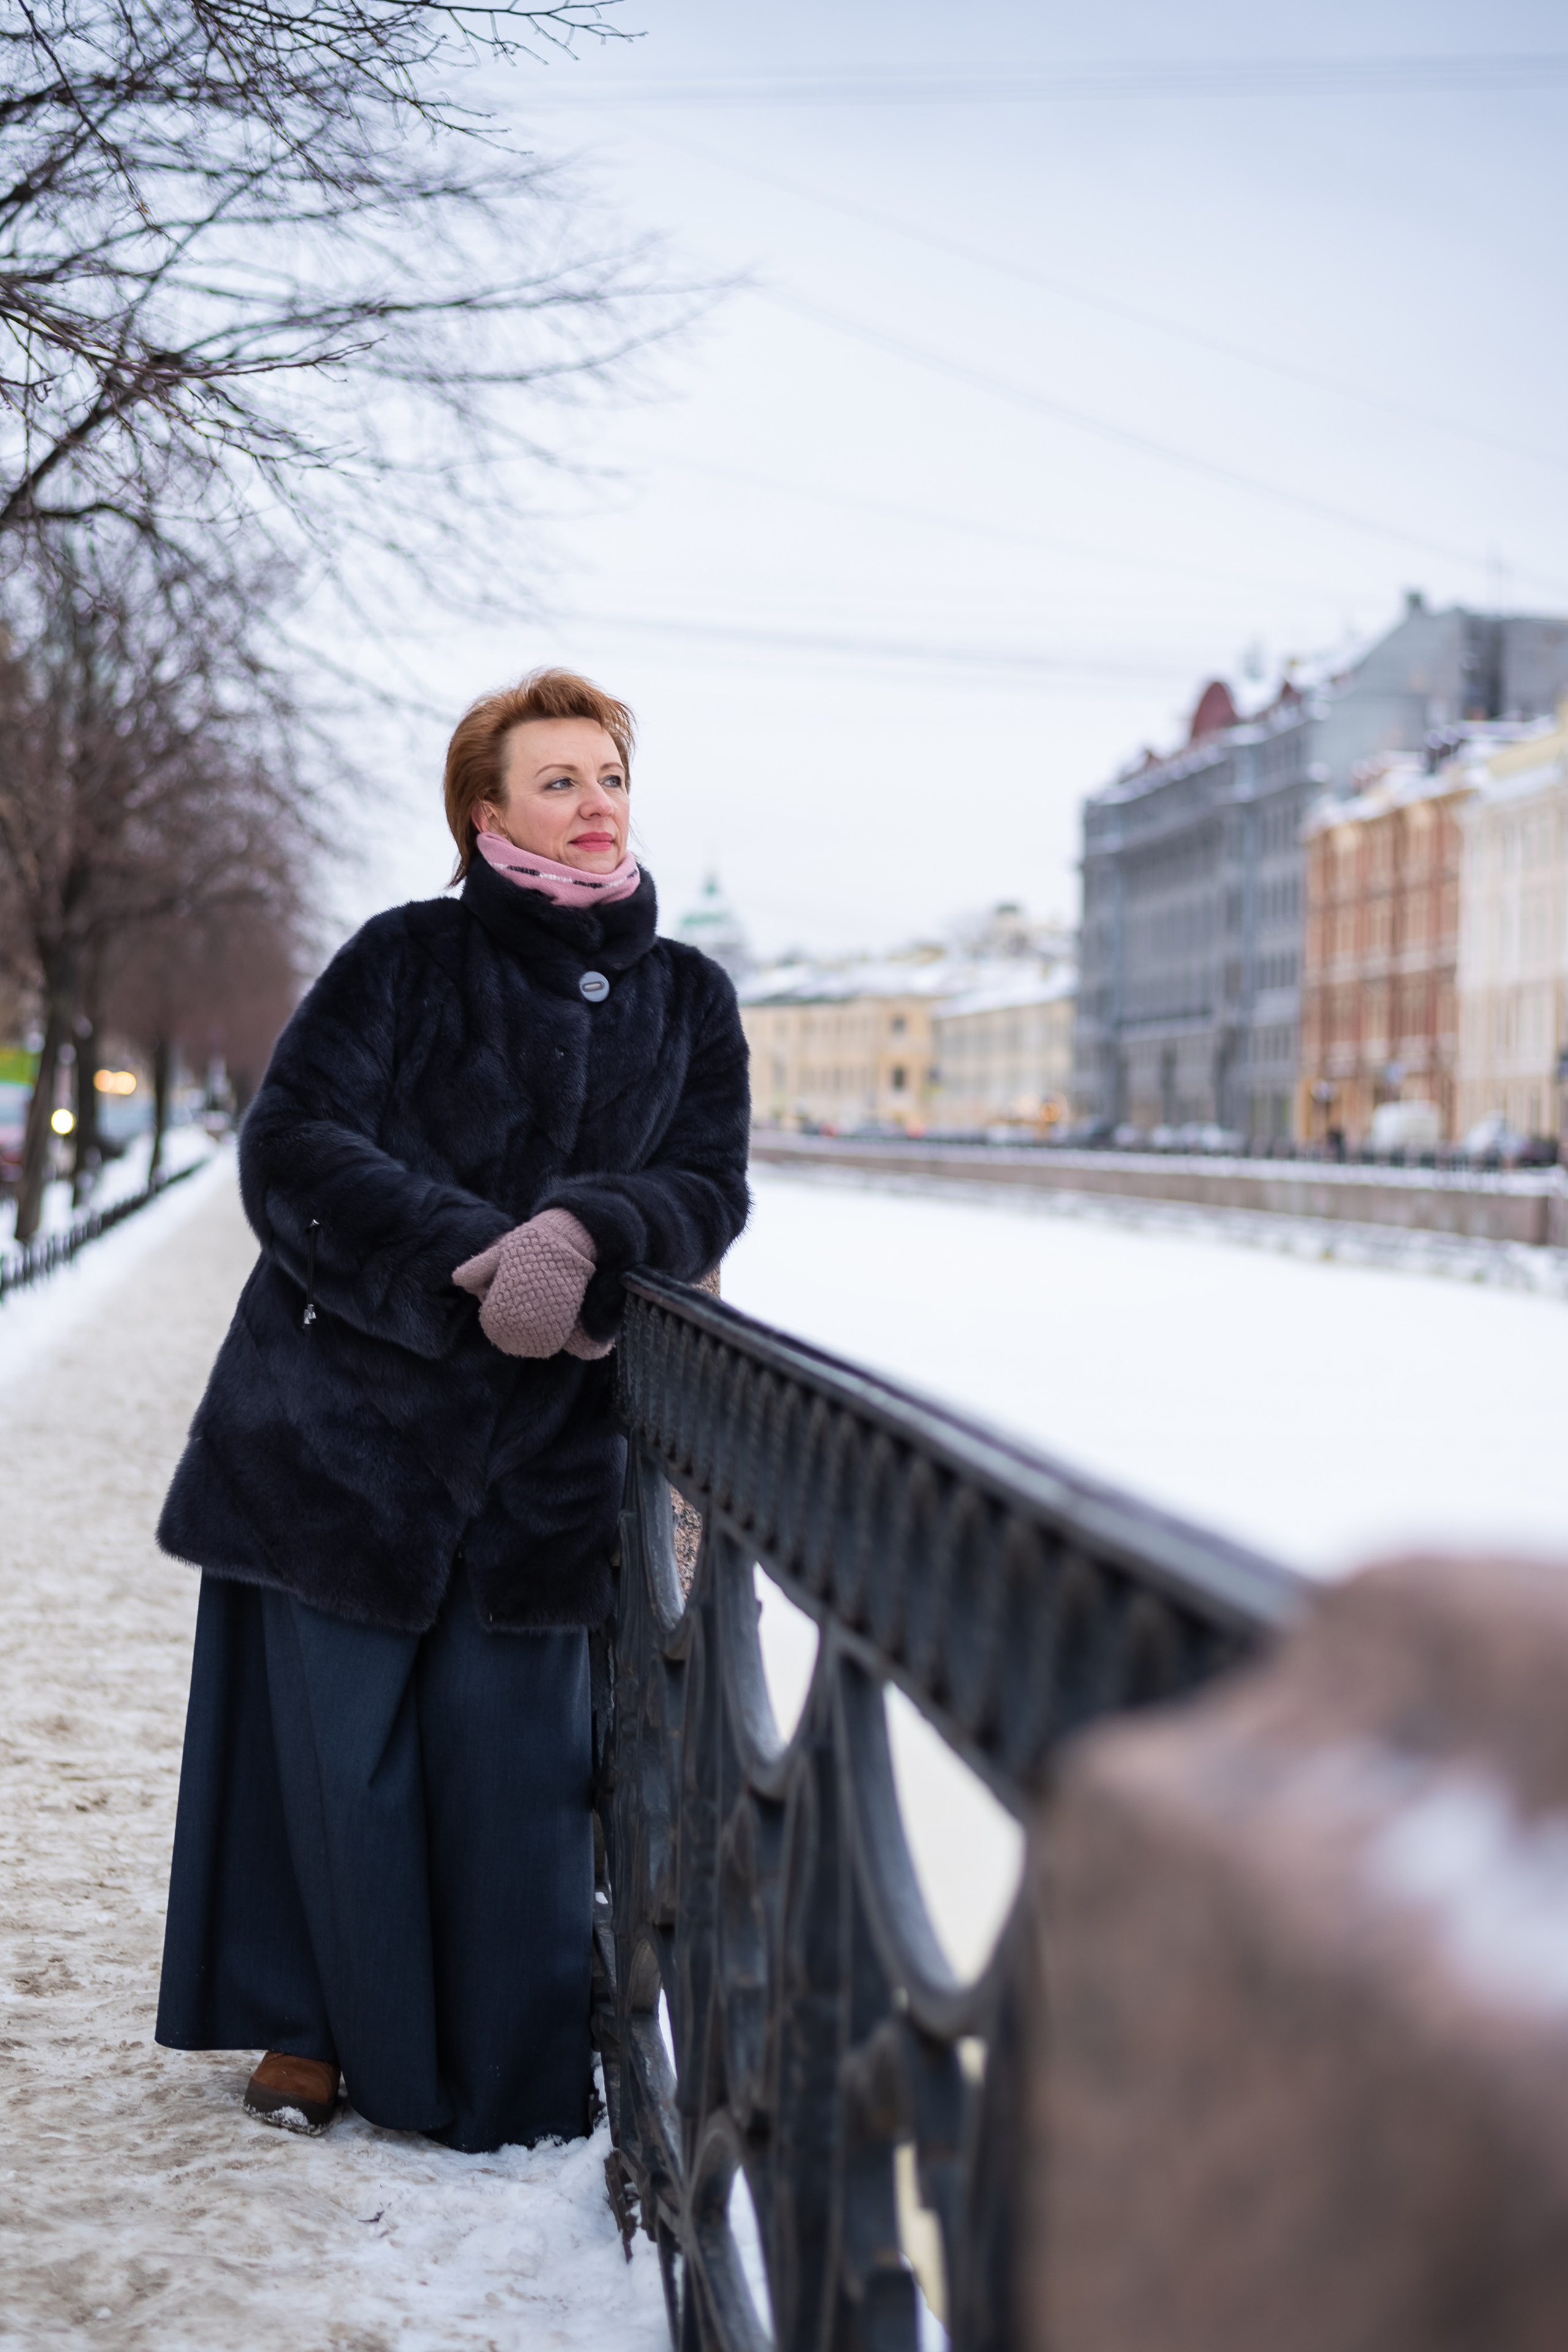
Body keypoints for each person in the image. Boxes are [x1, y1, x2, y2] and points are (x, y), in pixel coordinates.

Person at [154, 668, 750, 2150]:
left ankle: (498, 2069)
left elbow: (705, 1183)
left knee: (507, 1772)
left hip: (546, 1458)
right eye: (558, 780)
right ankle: (305, 2028)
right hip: (338, 1425)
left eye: (610, 775)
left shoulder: (689, 994)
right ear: (486, 812)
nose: (595, 802)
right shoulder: (405, 956)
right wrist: (468, 1259)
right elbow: (292, 1144)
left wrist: (591, 1231)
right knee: (334, 1754)